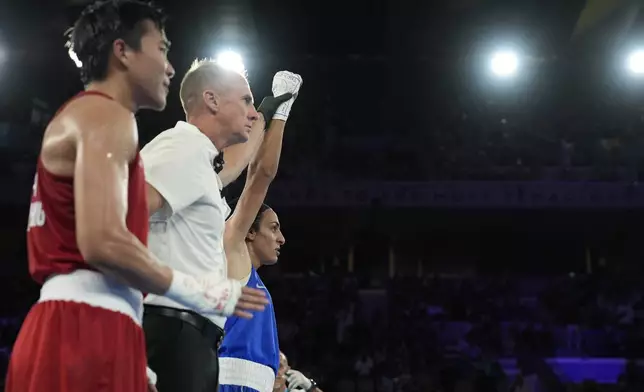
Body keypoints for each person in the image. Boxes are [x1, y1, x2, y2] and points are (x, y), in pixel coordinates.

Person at [6, 2, 266, 392]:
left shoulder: (97, 119)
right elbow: (102, 242)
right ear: (122, 52)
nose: (170, 67)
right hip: (84, 320)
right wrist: (203, 291)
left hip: (102, 314)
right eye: (161, 49)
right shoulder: (106, 117)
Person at [141, 61, 290, 392]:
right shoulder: (182, 147)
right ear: (211, 100)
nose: (252, 112)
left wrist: (269, 115)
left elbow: (240, 165)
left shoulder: (201, 171)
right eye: (246, 101)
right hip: (172, 329)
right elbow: (122, 220)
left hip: (193, 337)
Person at [218, 70, 302, 392]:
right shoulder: (232, 245)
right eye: (273, 228)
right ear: (250, 232)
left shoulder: (249, 274)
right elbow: (261, 176)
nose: (281, 238)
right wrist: (280, 114)